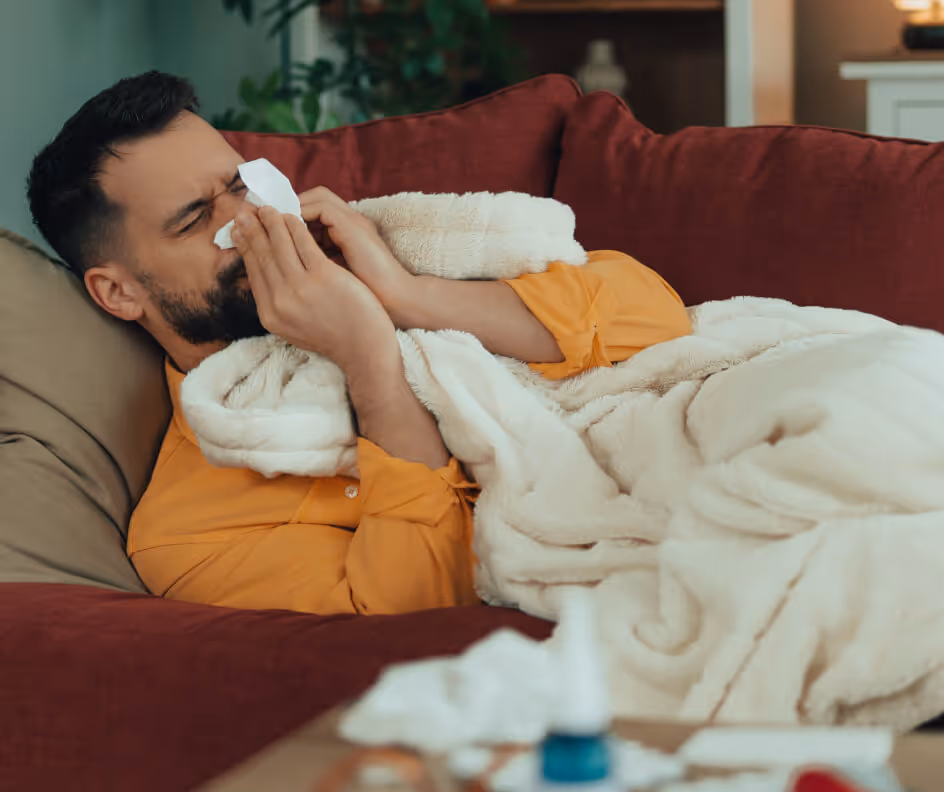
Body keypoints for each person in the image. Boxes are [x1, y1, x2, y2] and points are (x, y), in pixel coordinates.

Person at [26, 72, 692, 616]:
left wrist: (405, 294)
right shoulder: (190, 534)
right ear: (118, 293)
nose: (249, 223)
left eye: (240, 186)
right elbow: (413, 615)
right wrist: (370, 358)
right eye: (197, 219)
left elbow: (660, 319)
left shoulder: (371, 247)